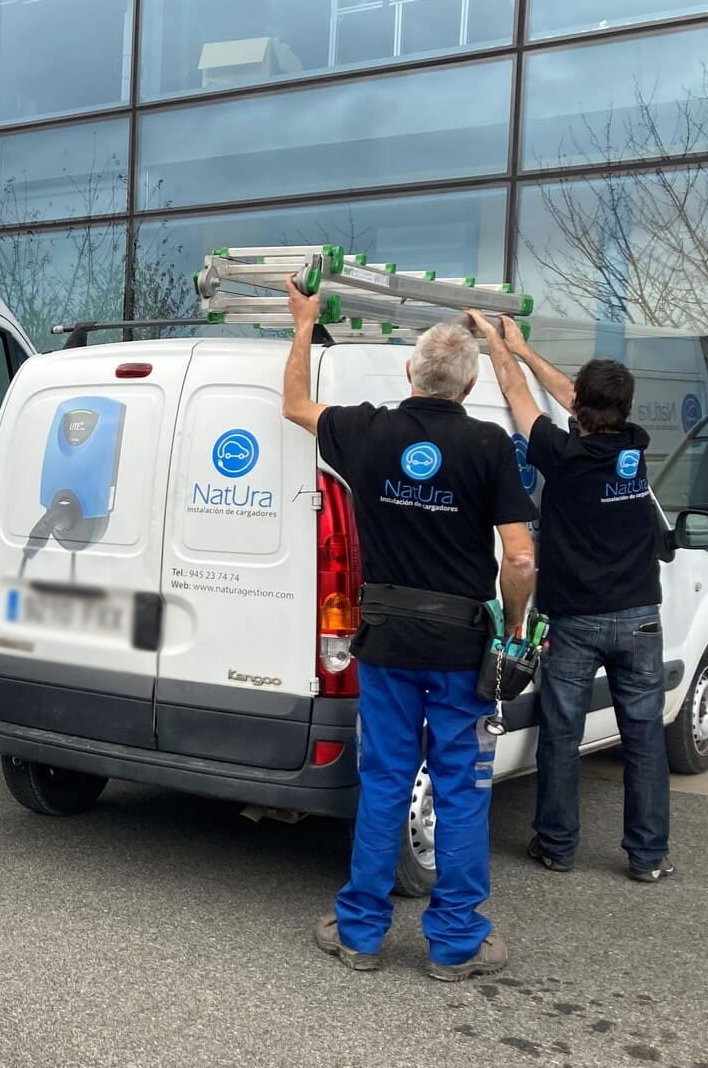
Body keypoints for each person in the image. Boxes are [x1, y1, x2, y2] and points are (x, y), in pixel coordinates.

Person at [280, 282, 537, 982]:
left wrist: (304, 325)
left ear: (408, 374)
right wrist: (514, 629)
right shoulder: (488, 446)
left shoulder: (368, 430)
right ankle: (454, 945)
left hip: (386, 642)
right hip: (459, 650)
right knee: (459, 789)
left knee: (386, 781)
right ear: (471, 381)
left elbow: (295, 406)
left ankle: (359, 933)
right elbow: (519, 556)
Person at [473, 314, 677, 884]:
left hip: (576, 620)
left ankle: (557, 846)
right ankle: (648, 857)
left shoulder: (562, 458)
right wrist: (529, 349)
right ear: (625, 411)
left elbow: (518, 395)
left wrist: (499, 345)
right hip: (639, 617)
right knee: (644, 739)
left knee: (561, 734)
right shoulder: (632, 448)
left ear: (581, 410)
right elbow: (578, 398)